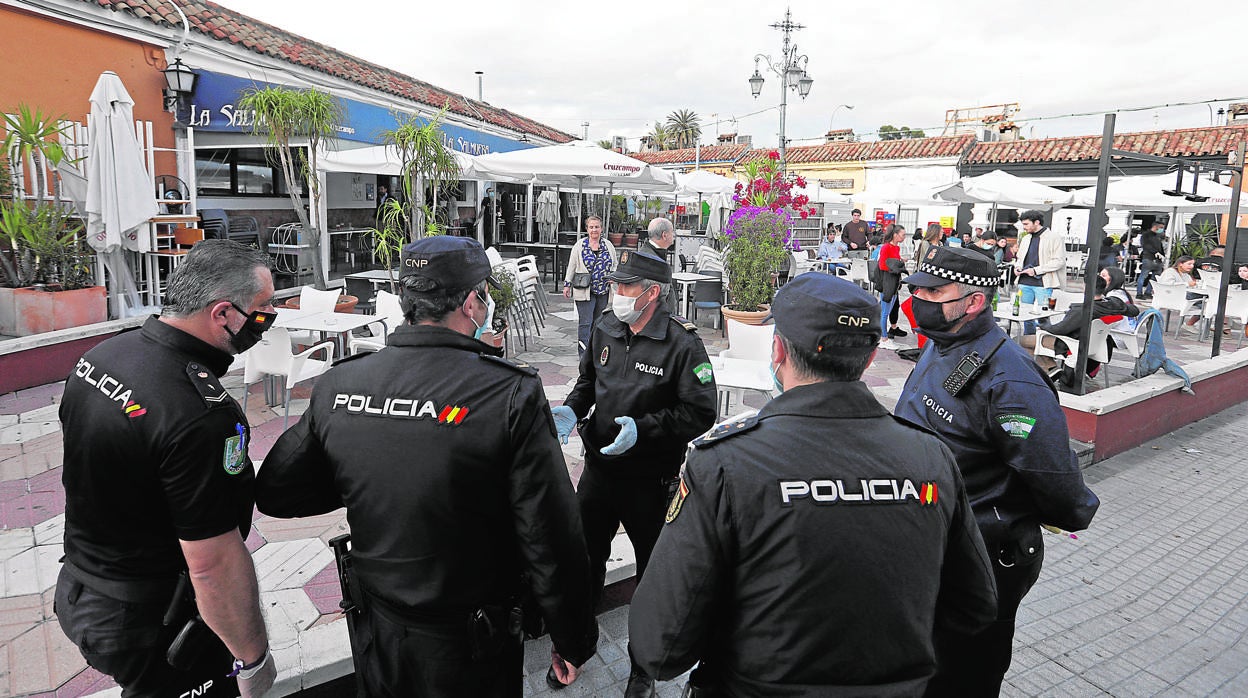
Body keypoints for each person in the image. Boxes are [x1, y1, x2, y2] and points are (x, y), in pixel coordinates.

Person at [255, 237, 599, 696]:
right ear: (474, 302)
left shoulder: (342, 382)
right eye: (486, 295)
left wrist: (370, 479)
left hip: (379, 633)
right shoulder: (508, 393)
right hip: (471, 644)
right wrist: (573, 638)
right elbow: (551, 535)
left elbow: (278, 490)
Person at [628, 272, 997, 696]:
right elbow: (975, 605)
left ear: (778, 349)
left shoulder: (724, 463)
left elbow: (660, 646)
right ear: (871, 357)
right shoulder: (931, 457)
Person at [56, 240, 278, 698]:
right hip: (149, 618)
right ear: (222, 313)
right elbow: (213, 564)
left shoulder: (102, 357)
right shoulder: (199, 414)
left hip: (81, 588)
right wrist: (253, 657)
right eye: (263, 307)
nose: (270, 316)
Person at [893, 246, 1100, 695]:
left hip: (982, 553)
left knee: (963, 676)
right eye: (917, 289)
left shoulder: (1011, 380)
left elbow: (1053, 474)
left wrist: (1068, 514)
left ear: (974, 301)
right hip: (927, 542)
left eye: (934, 290)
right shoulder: (945, 344)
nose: (920, 299)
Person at [551, 250, 717, 697]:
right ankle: (575, 647)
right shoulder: (607, 324)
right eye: (616, 285)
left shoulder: (683, 343)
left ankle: (641, 665)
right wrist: (571, 409)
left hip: (651, 479)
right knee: (584, 559)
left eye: (626, 287)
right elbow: (588, 380)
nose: (616, 294)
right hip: (600, 470)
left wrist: (644, 430)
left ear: (652, 293)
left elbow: (701, 412)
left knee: (651, 572)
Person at [1021, 274, 1139, 386]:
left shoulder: (1081, 310)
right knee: (1035, 340)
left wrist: (1043, 324)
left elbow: (1058, 330)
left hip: (1071, 344)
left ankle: (1049, 368)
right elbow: (1134, 310)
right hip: (1097, 345)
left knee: (1021, 341)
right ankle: (1051, 369)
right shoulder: (1113, 303)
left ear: (1086, 288)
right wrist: (1120, 306)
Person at [563, 215, 618, 355]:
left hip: (603, 290)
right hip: (584, 290)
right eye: (591, 227)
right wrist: (567, 284)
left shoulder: (608, 245)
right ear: (587, 229)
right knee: (585, 323)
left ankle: (595, 351)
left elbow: (615, 264)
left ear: (601, 228)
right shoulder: (579, 245)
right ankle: (583, 353)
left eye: (597, 227)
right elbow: (572, 266)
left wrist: (614, 277)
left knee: (599, 323)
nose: (594, 230)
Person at [1013, 210, 1066, 335]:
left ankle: (1044, 344)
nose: (1024, 227)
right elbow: (1020, 258)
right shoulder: (1026, 238)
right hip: (1024, 281)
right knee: (1026, 316)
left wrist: (1036, 270)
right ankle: (1028, 341)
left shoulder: (1054, 237)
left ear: (1036, 222)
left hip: (1044, 283)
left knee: (1043, 316)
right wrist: (1018, 267)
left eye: (1026, 224)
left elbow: (1059, 261)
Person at [877, 223, 908, 347]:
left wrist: (899, 262)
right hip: (887, 281)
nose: (904, 237)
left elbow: (893, 261)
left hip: (894, 281)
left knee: (889, 308)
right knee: (885, 311)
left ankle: (883, 333)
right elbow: (882, 265)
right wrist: (896, 266)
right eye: (903, 235)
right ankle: (883, 337)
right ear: (895, 235)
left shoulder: (896, 248)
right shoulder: (886, 247)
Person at [640, 217, 680, 312]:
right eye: (672, 232)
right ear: (664, 235)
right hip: (656, 317)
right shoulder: (650, 258)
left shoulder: (653, 253)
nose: (674, 235)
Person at [1159, 255, 1204, 331]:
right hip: (1172, 296)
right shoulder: (1170, 272)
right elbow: (1167, 285)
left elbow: (1191, 288)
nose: (1191, 266)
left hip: (1183, 296)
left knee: (1206, 304)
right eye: (1189, 264)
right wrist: (1187, 284)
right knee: (1205, 301)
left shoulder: (1186, 275)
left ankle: (1190, 324)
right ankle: (1189, 324)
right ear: (1180, 264)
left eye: (1192, 264)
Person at [1135, 220, 1167, 299]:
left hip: (1158, 260)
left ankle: (1148, 292)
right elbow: (1145, 245)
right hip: (1148, 258)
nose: (1162, 229)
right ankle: (1139, 293)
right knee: (1143, 276)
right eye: (1161, 228)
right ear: (1155, 227)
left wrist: (1163, 256)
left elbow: (1160, 247)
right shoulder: (1145, 235)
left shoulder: (1157, 236)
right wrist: (1155, 252)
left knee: (1155, 278)